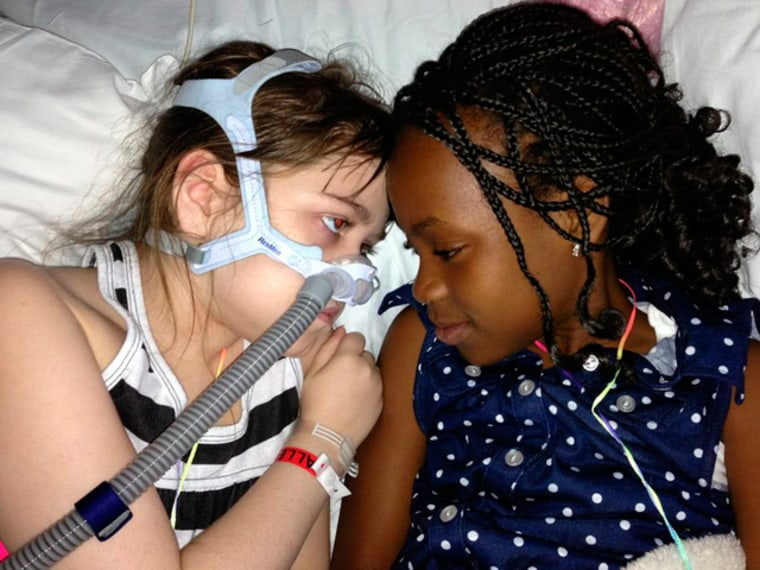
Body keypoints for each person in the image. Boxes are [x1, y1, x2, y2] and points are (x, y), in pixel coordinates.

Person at [331, 2, 760, 569]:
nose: (424, 286)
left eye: (449, 251)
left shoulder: (722, 370)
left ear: (579, 212)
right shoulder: (422, 347)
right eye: (415, 252)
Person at [0, 39, 392, 569]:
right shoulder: (23, 315)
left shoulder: (293, 377)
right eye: (336, 224)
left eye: (365, 248)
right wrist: (323, 444)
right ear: (203, 198)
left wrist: (316, 430)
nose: (357, 275)